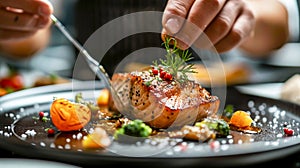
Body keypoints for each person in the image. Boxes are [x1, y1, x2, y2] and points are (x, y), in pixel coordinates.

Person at [0, 0, 293, 76]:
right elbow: (31, 42)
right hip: (92, 95)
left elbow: (279, 26)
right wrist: (14, 22)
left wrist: (243, 16)